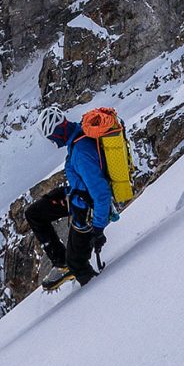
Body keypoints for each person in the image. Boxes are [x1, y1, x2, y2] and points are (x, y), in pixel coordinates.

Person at [25, 105, 114, 288]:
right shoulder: (77, 135)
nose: (53, 142)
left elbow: (101, 194)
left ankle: (99, 291)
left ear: (57, 132)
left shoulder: (80, 152)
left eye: (51, 137)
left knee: (76, 263)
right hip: (77, 196)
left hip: (86, 210)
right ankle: (61, 263)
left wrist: (98, 229)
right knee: (35, 213)